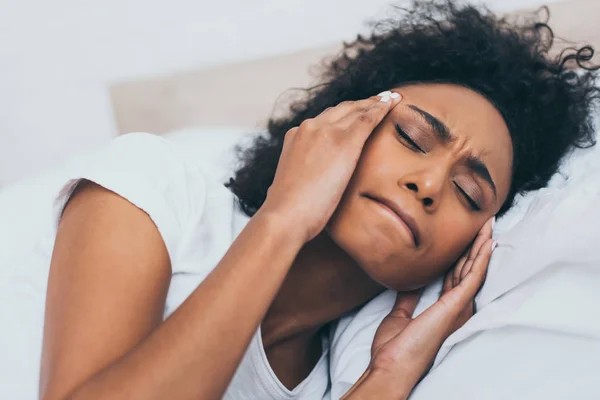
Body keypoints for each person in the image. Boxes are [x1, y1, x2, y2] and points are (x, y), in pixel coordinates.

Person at [35, 1, 599, 399]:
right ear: (337, 124)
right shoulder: (158, 190)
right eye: (411, 137)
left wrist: (386, 378)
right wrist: (283, 219)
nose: (428, 185)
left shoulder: (334, 377)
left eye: (468, 192)